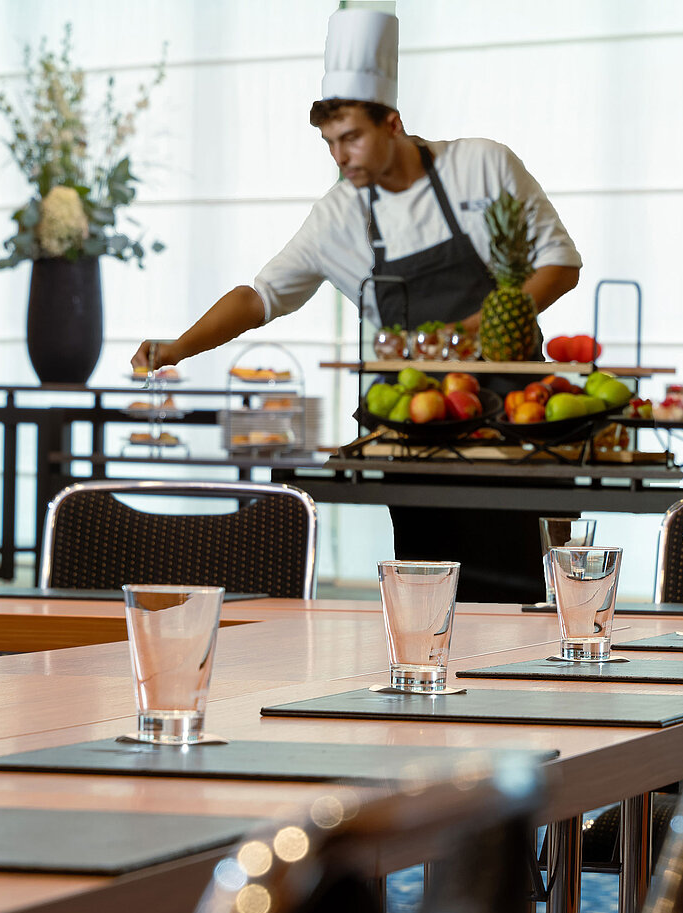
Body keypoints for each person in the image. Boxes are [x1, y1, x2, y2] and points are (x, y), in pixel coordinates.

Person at [133, 9, 582, 602]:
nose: (340, 156)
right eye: (329, 143)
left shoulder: (481, 164)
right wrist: (178, 346)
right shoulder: (338, 215)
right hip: (410, 430)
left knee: (515, 598)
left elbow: (560, 264)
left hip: (509, 419)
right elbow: (261, 295)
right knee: (429, 598)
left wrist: (470, 333)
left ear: (391, 122)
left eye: (351, 138)